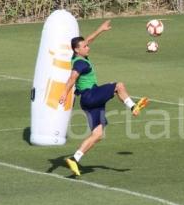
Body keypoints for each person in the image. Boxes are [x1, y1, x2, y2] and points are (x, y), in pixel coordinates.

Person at [59, 20, 149, 176]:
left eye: (87, 45)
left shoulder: (78, 56)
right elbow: (72, 78)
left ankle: (74, 158)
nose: (88, 47)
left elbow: (89, 39)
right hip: (90, 95)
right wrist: (64, 93)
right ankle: (134, 107)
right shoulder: (80, 63)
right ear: (76, 50)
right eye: (85, 46)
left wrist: (101, 29)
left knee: (98, 134)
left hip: (89, 101)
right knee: (118, 85)